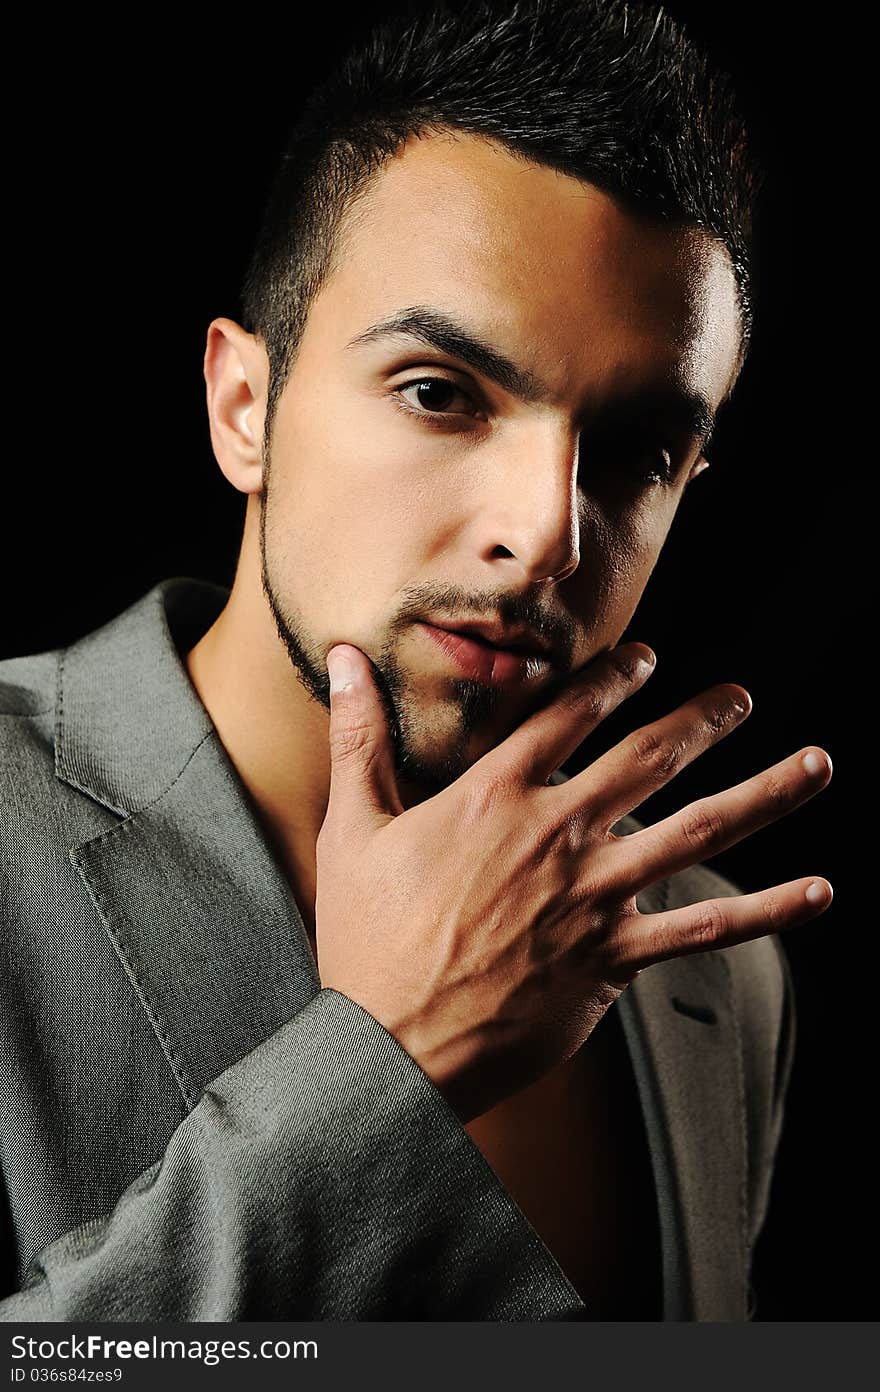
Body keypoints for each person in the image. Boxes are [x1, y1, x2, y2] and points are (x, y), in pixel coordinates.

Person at [0, 0, 832, 1322]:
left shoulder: (711, 966)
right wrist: (385, 1069)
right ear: (244, 407)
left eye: (636, 455)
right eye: (441, 392)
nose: (544, 534)